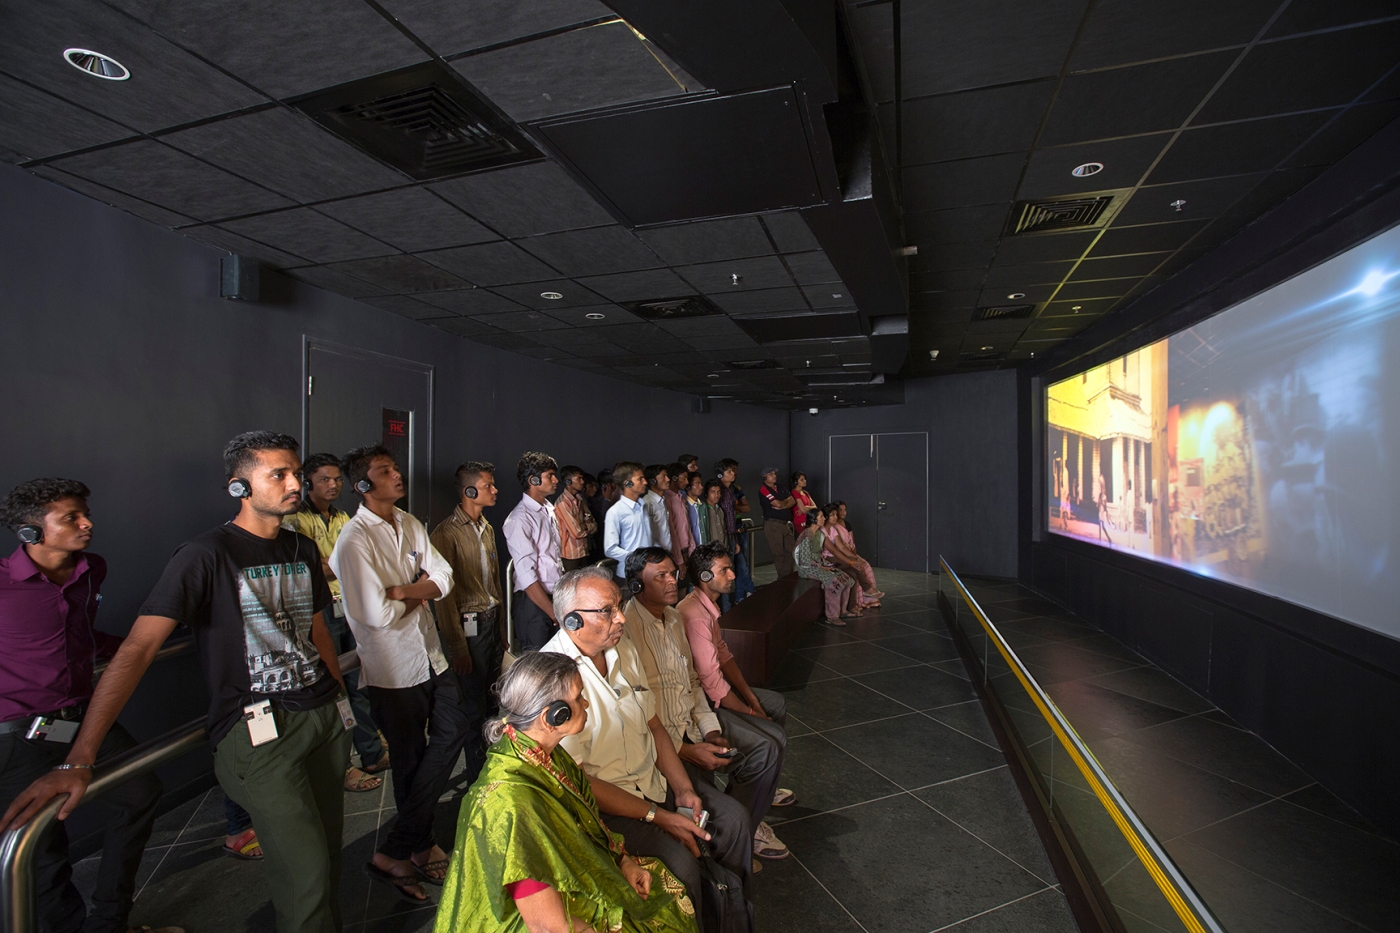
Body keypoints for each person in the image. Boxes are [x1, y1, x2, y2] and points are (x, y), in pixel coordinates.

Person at [4, 432, 350, 933]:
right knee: (306, 872)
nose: (295, 483)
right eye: (279, 474)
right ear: (239, 487)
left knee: (329, 854)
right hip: (259, 727)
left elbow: (316, 626)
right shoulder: (204, 553)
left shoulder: (300, 543)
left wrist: (338, 700)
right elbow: (139, 648)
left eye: (296, 472)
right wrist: (81, 757)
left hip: (319, 714)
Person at [0, 480, 182, 933]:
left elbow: (80, 636)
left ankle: (108, 922)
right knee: (41, 850)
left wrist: (141, 646)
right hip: (18, 735)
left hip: (78, 721)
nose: (88, 524)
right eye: (71, 519)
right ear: (30, 533)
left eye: (85, 513)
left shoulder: (89, 569)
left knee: (141, 792)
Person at [541, 568, 751, 928]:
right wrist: (660, 817)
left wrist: (683, 790)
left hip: (654, 782)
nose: (621, 617)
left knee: (734, 823)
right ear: (572, 620)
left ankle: (730, 912)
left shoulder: (622, 646)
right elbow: (578, 782)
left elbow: (654, 726)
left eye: (619, 606)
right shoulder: (551, 679)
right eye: (607, 610)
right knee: (680, 866)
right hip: (609, 809)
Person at [433, 652, 697, 933]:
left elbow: (586, 820)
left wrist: (624, 861)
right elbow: (548, 927)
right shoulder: (511, 807)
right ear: (553, 717)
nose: (585, 703)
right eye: (579, 697)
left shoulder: (542, 753)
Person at [331, 445, 464, 904]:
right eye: (384, 471)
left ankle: (395, 846)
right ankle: (418, 846)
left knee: (455, 732)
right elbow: (376, 614)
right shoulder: (353, 540)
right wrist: (420, 594)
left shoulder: (409, 522)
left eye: (394, 468)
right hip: (392, 668)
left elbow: (444, 578)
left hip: (430, 656)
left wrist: (407, 590)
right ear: (363, 485)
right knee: (408, 760)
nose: (397, 475)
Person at [624, 548, 791, 864]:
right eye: (659, 576)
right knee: (734, 808)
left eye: (672, 573)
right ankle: (739, 832)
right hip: (667, 739)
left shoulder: (673, 618)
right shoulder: (627, 630)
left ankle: (749, 822)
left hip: (692, 723)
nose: (672, 582)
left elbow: (693, 681)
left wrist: (710, 729)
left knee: (766, 747)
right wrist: (686, 749)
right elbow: (638, 715)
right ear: (636, 585)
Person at [283, 452, 387, 794]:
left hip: (350, 606)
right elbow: (313, 567)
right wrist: (339, 564)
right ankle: (339, 767)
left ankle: (370, 753)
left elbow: (358, 559)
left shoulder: (344, 517)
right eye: (324, 479)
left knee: (358, 684)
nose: (333, 485)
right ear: (308, 482)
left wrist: (337, 563)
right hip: (318, 611)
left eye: (337, 479)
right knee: (329, 689)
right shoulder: (297, 520)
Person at [430, 461, 505, 773]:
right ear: (470, 491)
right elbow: (444, 598)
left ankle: (492, 763)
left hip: (491, 624)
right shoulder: (445, 534)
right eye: (488, 485)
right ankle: (477, 772)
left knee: (492, 701)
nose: (495, 490)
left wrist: (502, 630)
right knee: (472, 708)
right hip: (468, 630)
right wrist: (457, 646)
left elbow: (496, 582)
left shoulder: (486, 528)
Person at [503, 452, 564, 652]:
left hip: (553, 599)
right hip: (533, 605)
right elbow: (526, 575)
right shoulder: (519, 518)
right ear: (534, 480)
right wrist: (551, 612)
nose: (556, 480)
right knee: (535, 667)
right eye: (550, 475)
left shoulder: (548, 509)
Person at [794, 508, 859, 625]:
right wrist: (822, 567)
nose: (824, 519)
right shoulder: (806, 534)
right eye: (821, 517)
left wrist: (826, 565)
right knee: (832, 580)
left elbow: (822, 554)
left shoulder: (819, 534)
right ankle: (832, 616)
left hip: (818, 564)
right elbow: (804, 559)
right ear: (814, 519)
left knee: (845, 577)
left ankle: (842, 610)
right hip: (807, 568)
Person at [820, 504, 880, 607]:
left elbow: (842, 547)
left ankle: (852, 606)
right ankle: (867, 589)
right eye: (832, 515)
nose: (836, 517)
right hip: (827, 559)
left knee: (853, 575)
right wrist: (851, 562)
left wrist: (855, 558)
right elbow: (834, 551)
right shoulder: (822, 531)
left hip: (837, 558)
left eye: (835, 514)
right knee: (853, 566)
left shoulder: (833, 529)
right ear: (826, 517)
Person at [603, 461, 652, 578]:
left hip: (649, 571)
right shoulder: (615, 512)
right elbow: (610, 549)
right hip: (630, 574)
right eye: (640, 479)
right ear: (628, 483)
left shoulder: (643, 506)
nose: (645, 482)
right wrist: (636, 558)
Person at [715, 460, 754, 603]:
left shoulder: (733, 489)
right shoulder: (719, 490)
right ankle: (729, 604)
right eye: (730, 471)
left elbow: (746, 508)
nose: (734, 474)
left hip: (734, 534)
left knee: (741, 566)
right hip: (725, 536)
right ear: (720, 474)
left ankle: (741, 596)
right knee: (729, 569)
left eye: (734, 470)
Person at [555, 465, 597, 573]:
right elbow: (577, 532)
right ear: (568, 482)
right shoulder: (563, 504)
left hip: (583, 552)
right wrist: (588, 525)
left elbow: (588, 515)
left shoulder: (580, 500)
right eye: (579, 478)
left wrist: (586, 520)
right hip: (570, 557)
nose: (582, 482)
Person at [756, 468, 796, 578]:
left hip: (785, 523)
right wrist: (785, 503)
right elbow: (777, 504)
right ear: (765, 477)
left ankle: (787, 575)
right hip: (773, 524)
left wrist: (784, 505)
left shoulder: (780, 486)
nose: (774, 476)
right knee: (778, 554)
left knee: (792, 550)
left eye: (774, 473)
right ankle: (783, 579)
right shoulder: (764, 489)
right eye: (770, 474)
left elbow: (792, 500)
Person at [662, 463, 697, 580]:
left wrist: (692, 551)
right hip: (676, 555)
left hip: (686, 552)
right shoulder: (667, 499)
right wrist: (679, 560)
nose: (687, 482)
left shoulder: (680, 498)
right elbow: (672, 532)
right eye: (684, 478)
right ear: (674, 478)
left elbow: (687, 527)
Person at [641, 465, 674, 557]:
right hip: (655, 555)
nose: (668, 479)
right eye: (663, 476)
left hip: (668, 552)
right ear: (652, 481)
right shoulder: (647, 503)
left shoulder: (663, 501)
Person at [683, 474, 705, 552]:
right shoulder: (684, 505)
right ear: (688, 486)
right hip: (691, 551)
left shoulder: (703, 505)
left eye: (701, 484)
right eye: (697, 484)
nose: (701, 487)